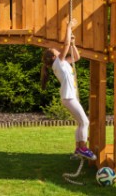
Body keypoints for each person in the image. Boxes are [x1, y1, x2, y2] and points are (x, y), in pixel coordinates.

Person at [41, 18, 97, 161]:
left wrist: (73, 44)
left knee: (81, 123)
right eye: (56, 51)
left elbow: (77, 57)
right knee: (85, 122)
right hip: (69, 97)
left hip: (69, 97)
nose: (59, 50)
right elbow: (64, 44)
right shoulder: (58, 64)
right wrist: (68, 27)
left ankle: (78, 149)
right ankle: (83, 148)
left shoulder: (63, 63)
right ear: (54, 56)